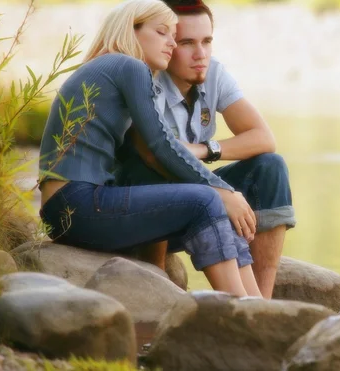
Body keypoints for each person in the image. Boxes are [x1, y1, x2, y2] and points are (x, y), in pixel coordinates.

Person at [38, 0, 261, 298]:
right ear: (132, 31)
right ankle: (243, 312)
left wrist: (221, 195)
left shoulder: (108, 67)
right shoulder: (128, 65)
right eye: (162, 32)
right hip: (75, 205)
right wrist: (221, 189)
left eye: (172, 34)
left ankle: (255, 304)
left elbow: (155, 150)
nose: (171, 42)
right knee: (206, 200)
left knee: (206, 200)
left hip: (69, 206)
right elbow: (161, 143)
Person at [116, 0, 295, 299]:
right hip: (138, 207)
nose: (201, 54)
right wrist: (219, 192)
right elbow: (155, 158)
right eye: (187, 43)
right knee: (151, 169)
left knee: (270, 167)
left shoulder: (213, 73)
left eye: (207, 41)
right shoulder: (145, 78)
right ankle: (158, 290)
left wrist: (204, 149)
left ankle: (264, 305)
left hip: (194, 197)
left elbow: (263, 137)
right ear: (169, 42)